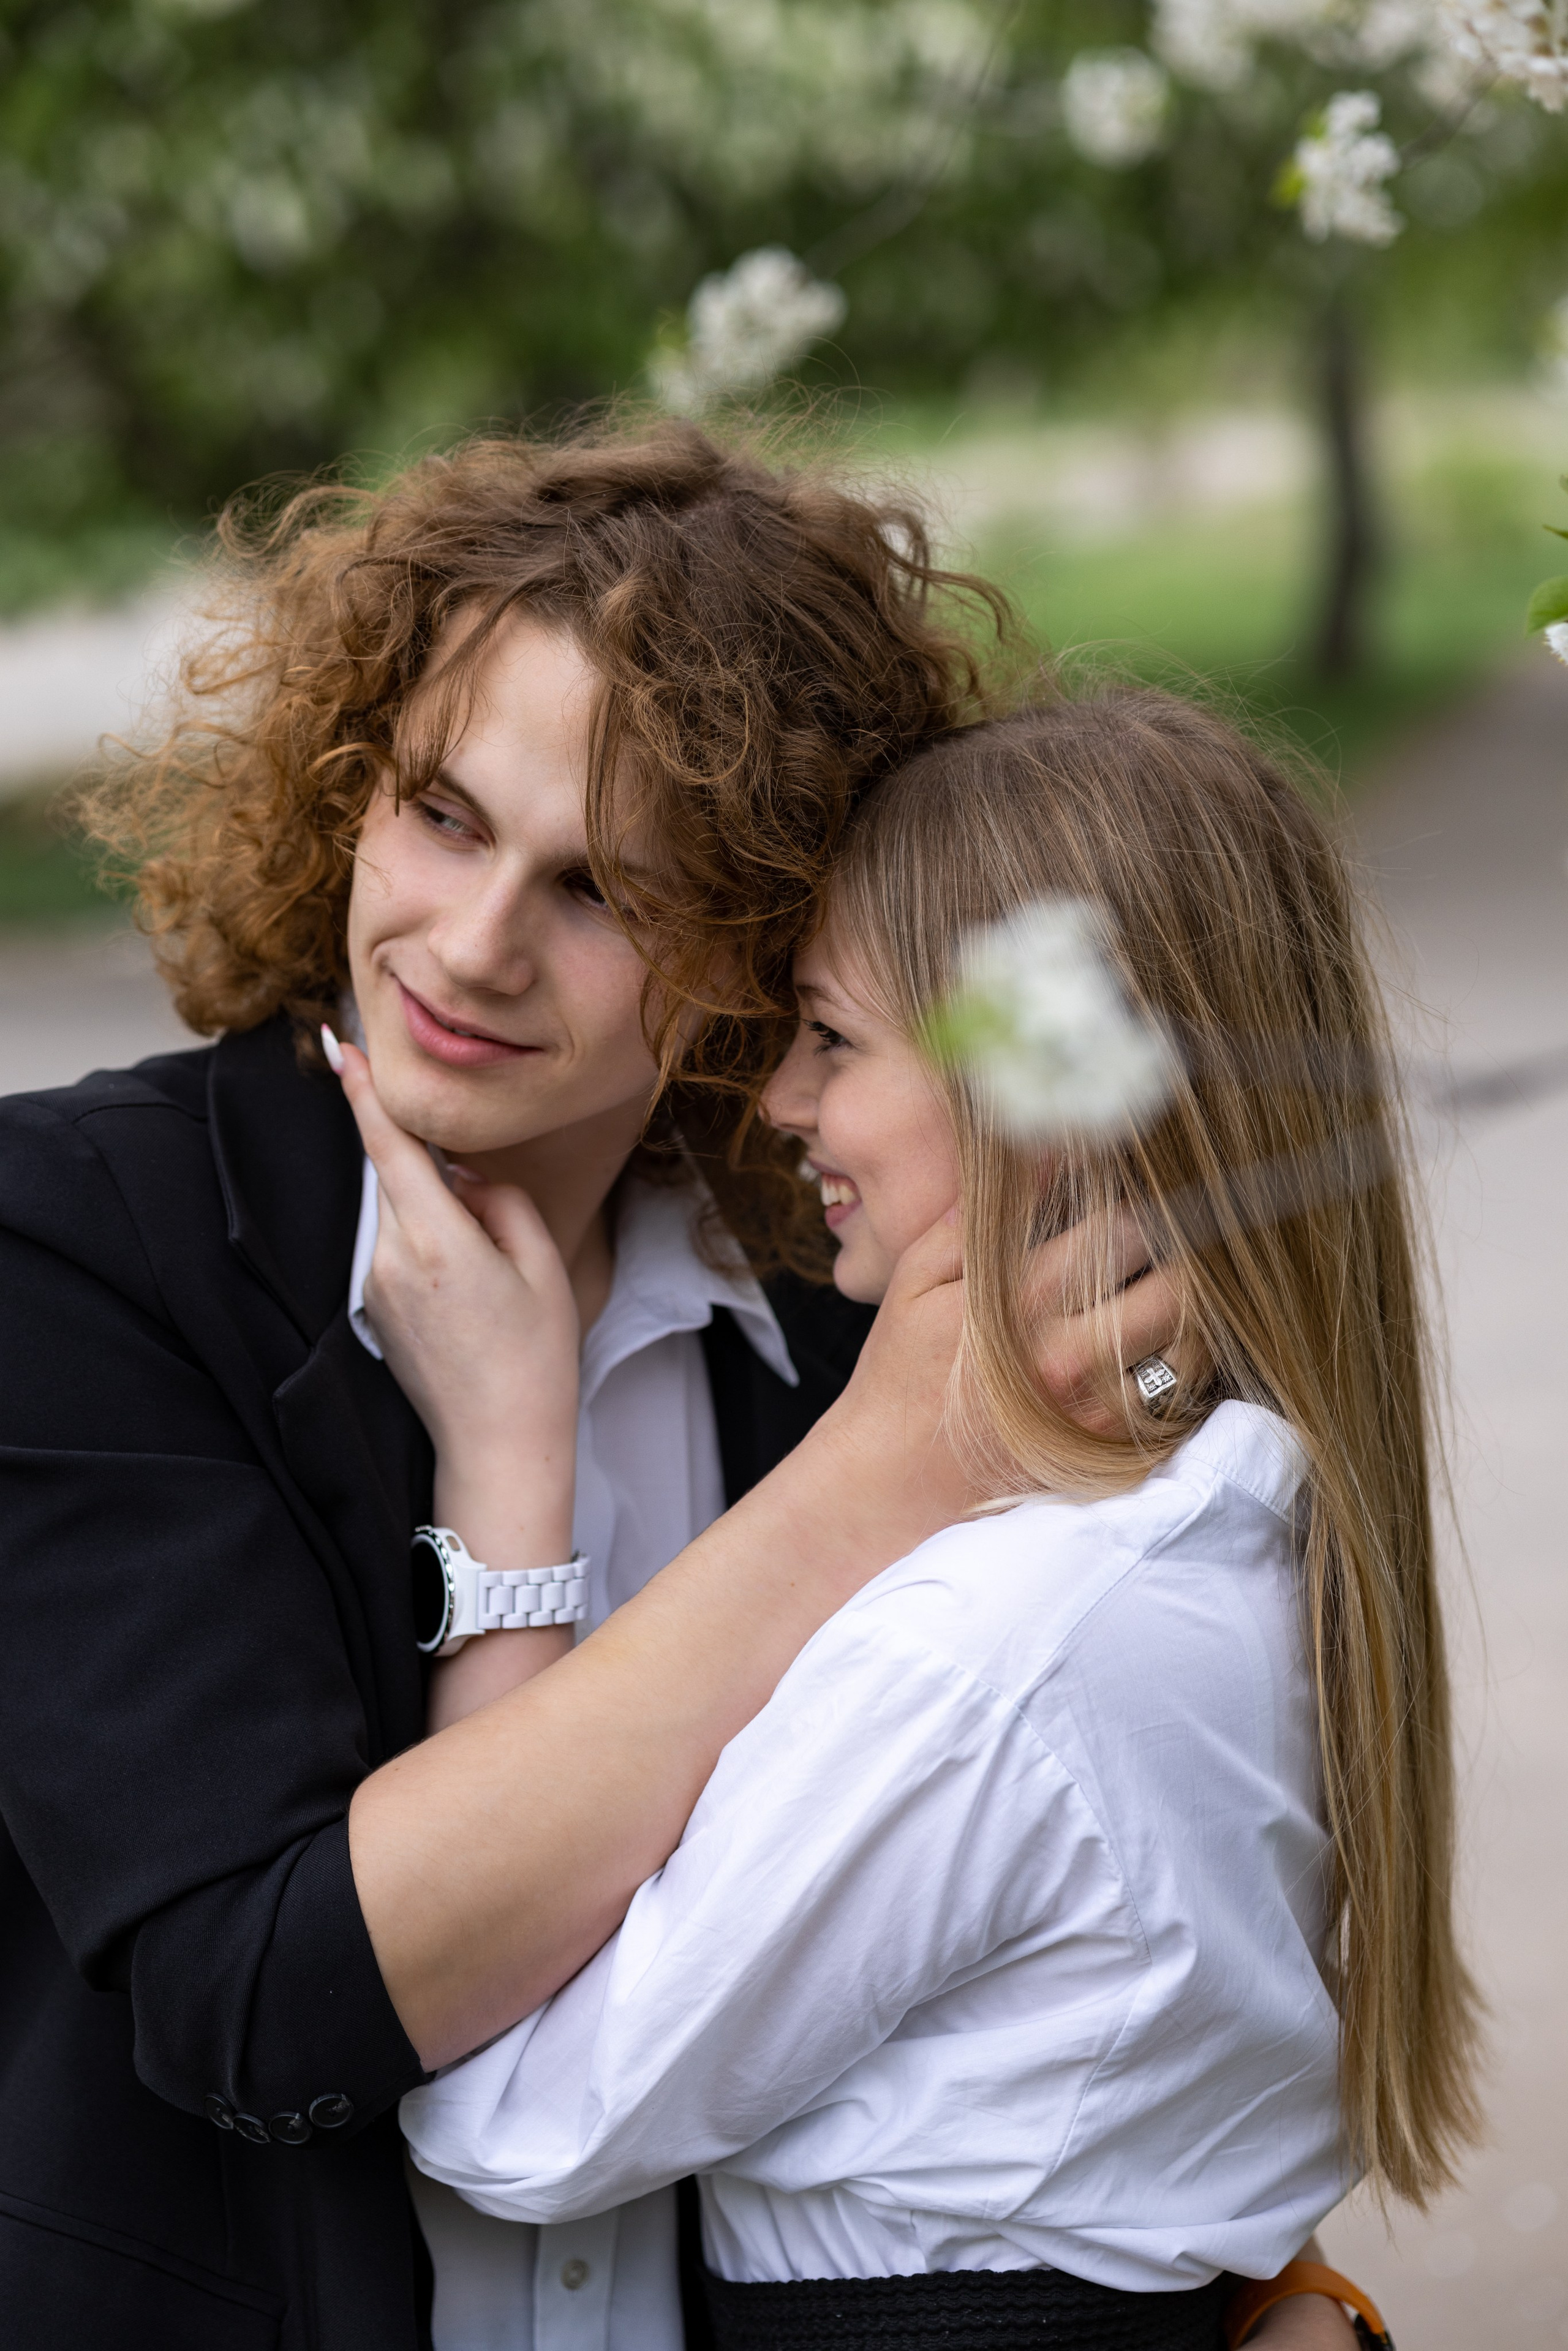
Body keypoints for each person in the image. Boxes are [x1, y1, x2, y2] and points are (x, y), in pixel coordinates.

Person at [0, 423, 1212, 2351]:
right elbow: (257, 1997)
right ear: (345, 786)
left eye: (602, 891)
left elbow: (1086, 1926)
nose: (471, 950)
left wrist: (1250, 2295)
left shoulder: (837, 1300)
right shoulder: (81, 1242)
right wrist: (860, 1478)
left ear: (760, 943)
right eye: (442, 817)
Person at [355, 691, 1482, 2347]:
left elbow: (510, 2117)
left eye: (833, 1039)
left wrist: (511, 1475)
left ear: (1047, 1103)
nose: (781, 1105)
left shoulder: (985, 1656)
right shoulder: (1245, 1514)